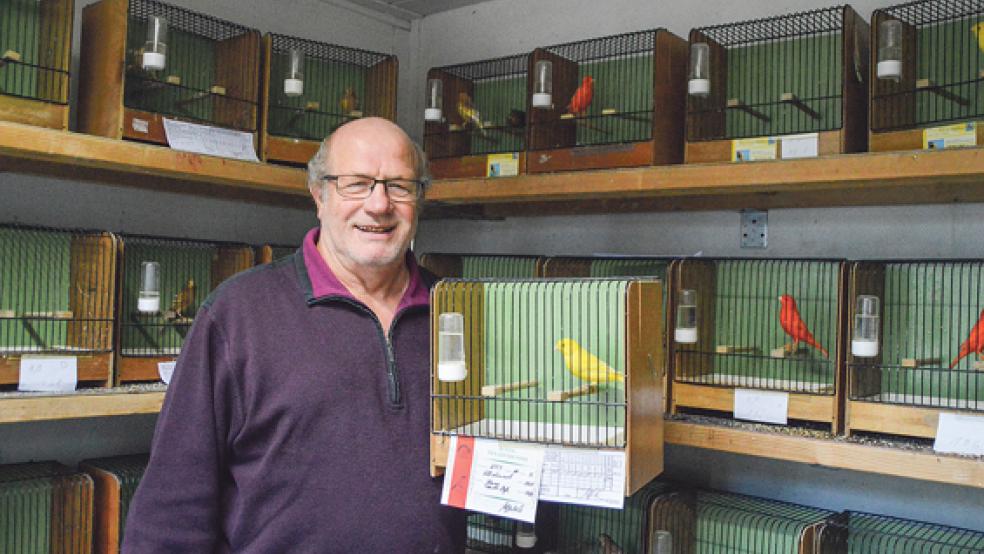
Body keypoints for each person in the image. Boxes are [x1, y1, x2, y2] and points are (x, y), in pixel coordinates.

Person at [123, 117, 465, 553]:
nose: (378, 204)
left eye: (399, 186)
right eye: (356, 184)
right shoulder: (237, 314)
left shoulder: (454, 311)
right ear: (318, 195)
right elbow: (172, 506)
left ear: (420, 200)